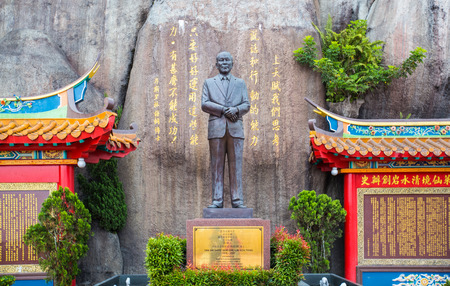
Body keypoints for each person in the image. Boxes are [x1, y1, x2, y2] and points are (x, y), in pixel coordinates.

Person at [201, 51, 250, 208]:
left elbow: (246, 104)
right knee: (216, 165)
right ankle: (217, 200)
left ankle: (237, 200)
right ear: (216, 64)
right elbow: (205, 103)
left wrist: (235, 110)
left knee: (236, 165)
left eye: (227, 60)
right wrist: (223, 109)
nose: (224, 63)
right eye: (221, 60)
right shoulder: (209, 83)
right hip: (216, 128)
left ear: (232, 63)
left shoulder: (240, 83)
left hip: (235, 128)